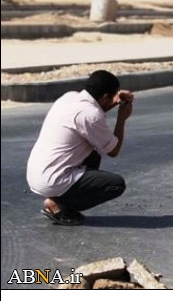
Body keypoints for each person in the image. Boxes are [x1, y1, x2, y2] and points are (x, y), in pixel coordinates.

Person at [27, 70, 134, 226]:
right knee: (116, 185)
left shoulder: (69, 97)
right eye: (112, 96)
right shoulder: (91, 115)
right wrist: (122, 118)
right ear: (104, 97)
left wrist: (114, 101)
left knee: (94, 155)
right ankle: (59, 205)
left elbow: (91, 114)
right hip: (52, 179)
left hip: (36, 173)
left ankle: (58, 201)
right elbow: (113, 150)